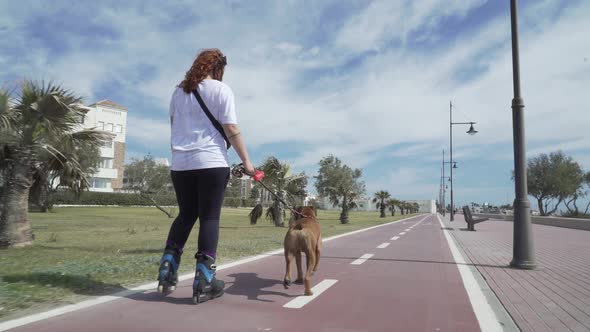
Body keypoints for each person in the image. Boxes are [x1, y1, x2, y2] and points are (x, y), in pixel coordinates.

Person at [157, 48, 256, 304]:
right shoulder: (222, 90)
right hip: (211, 162)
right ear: (219, 68)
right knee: (209, 218)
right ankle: (204, 279)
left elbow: (173, 127)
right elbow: (231, 128)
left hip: (181, 164)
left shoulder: (178, 92)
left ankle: (168, 266)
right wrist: (247, 162)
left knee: (186, 215)